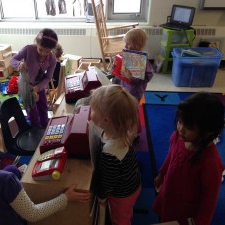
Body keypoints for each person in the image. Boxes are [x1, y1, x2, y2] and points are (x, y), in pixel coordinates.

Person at [152, 92, 224, 225]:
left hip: (185, 210)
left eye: (188, 127)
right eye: (179, 122)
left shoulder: (211, 164)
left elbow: (209, 201)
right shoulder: (178, 137)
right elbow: (171, 155)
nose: (180, 129)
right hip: (169, 192)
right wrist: (162, 173)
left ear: (208, 131)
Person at [90, 84, 141, 225]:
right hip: (132, 182)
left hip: (123, 194)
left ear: (106, 121)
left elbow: (108, 181)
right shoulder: (120, 132)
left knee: (120, 219)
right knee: (126, 212)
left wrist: (101, 197)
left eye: (93, 109)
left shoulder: (110, 153)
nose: (90, 110)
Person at [10, 28, 58, 128]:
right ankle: (35, 131)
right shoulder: (28, 49)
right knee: (32, 112)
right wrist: (19, 64)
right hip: (26, 85)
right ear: (36, 42)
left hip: (39, 85)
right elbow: (12, 60)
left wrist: (38, 87)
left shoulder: (52, 58)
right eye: (40, 49)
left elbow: (48, 77)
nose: (43, 53)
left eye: (47, 52)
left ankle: (45, 129)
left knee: (43, 108)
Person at [111, 28, 154, 103]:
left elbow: (148, 76)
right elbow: (118, 73)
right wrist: (115, 66)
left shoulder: (143, 61)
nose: (125, 46)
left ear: (137, 45)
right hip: (123, 88)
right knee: (123, 103)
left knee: (132, 106)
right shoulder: (127, 56)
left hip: (134, 92)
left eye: (128, 43)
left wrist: (131, 78)